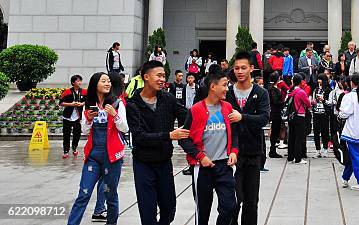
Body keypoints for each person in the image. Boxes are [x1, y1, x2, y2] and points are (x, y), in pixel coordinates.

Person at [126, 60, 189, 225]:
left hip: (164, 162)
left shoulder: (167, 99)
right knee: (148, 211)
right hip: (143, 164)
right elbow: (139, 137)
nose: (163, 79)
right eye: (159, 75)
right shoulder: (133, 105)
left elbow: (187, 115)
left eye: (164, 76)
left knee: (169, 208)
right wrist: (169, 135)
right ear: (146, 77)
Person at [66, 72, 128, 225]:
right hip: (93, 156)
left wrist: (115, 115)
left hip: (112, 157)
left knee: (110, 194)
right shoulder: (89, 104)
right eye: (103, 81)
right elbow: (85, 131)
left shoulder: (117, 103)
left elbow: (125, 128)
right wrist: (88, 119)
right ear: (95, 84)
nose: (107, 84)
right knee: (83, 194)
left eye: (108, 81)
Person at [179, 72, 239, 225]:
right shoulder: (195, 110)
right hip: (203, 167)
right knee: (203, 211)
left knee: (230, 207)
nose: (227, 88)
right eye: (224, 85)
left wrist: (233, 151)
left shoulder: (227, 107)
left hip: (224, 166)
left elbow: (235, 132)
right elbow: (184, 139)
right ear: (213, 87)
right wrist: (200, 156)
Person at [225, 51, 270, 225]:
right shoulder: (227, 93)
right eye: (236, 68)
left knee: (251, 200)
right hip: (230, 153)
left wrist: (242, 117)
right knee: (233, 199)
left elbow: (264, 118)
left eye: (243, 67)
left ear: (252, 68)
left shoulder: (261, 92)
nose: (240, 71)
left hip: (252, 152)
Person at [338, 74, 359, 191]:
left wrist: (340, 114)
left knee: (355, 156)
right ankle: (345, 178)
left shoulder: (349, 96)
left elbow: (344, 113)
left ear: (352, 83)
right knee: (353, 155)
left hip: (352, 130)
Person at [60, 74, 87, 158]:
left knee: (77, 134)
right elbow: (61, 103)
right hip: (67, 116)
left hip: (78, 117)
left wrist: (82, 103)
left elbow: (88, 101)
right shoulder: (67, 92)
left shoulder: (84, 92)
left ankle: (74, 147)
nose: (79, 82)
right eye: (77, 81)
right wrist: (71, 104)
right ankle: (66, 150)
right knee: (66, 134)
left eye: (80, 81)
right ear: (73, 82)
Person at [287, 74, 310, 164]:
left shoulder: (291, 91)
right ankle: (298, 158)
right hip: (299, 115)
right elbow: (308, 103)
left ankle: (291, 157)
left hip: (291, 116)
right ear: (300, 82)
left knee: (291, 137)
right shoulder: (301, 92)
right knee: (299, 138)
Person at [312, 74, 331, 158]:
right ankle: (317, 150)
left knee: (325, 131)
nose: (319, 81)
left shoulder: (328, 90)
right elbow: (313, 99)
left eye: (320, 79)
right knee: (316, 132)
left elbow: (330, 102)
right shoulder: (315, 90)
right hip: (316, 112)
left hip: (324, 113)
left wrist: (324, 100)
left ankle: (325, 149)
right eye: (318, 79)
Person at [268, 72, 284, 158]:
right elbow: (276, 102)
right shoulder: (273, 89)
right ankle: (272, 150)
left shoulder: (271, 88)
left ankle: (273, 149)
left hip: (275, 112)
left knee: (275, 131)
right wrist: (283, 102)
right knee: (275, 132)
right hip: (275, 113)